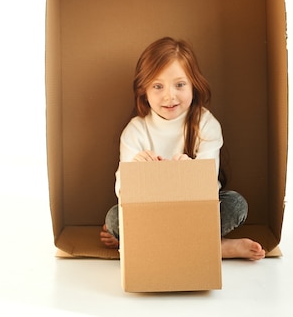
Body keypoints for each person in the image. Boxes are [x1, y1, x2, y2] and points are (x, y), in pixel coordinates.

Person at [99, 37, 265, 261]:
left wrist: (189, 175)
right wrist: (137, 173)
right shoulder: (135, 131)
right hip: (152, 213)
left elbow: (208, 181)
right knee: (114, 219)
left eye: (180, 85)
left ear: (194, 85)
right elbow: (123, 193)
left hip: (196, 211)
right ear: (144, 91)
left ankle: (144, 245)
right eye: (158, 86)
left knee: (236, 204)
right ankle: (216, 248)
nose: (170, 96)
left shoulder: (206, 124)